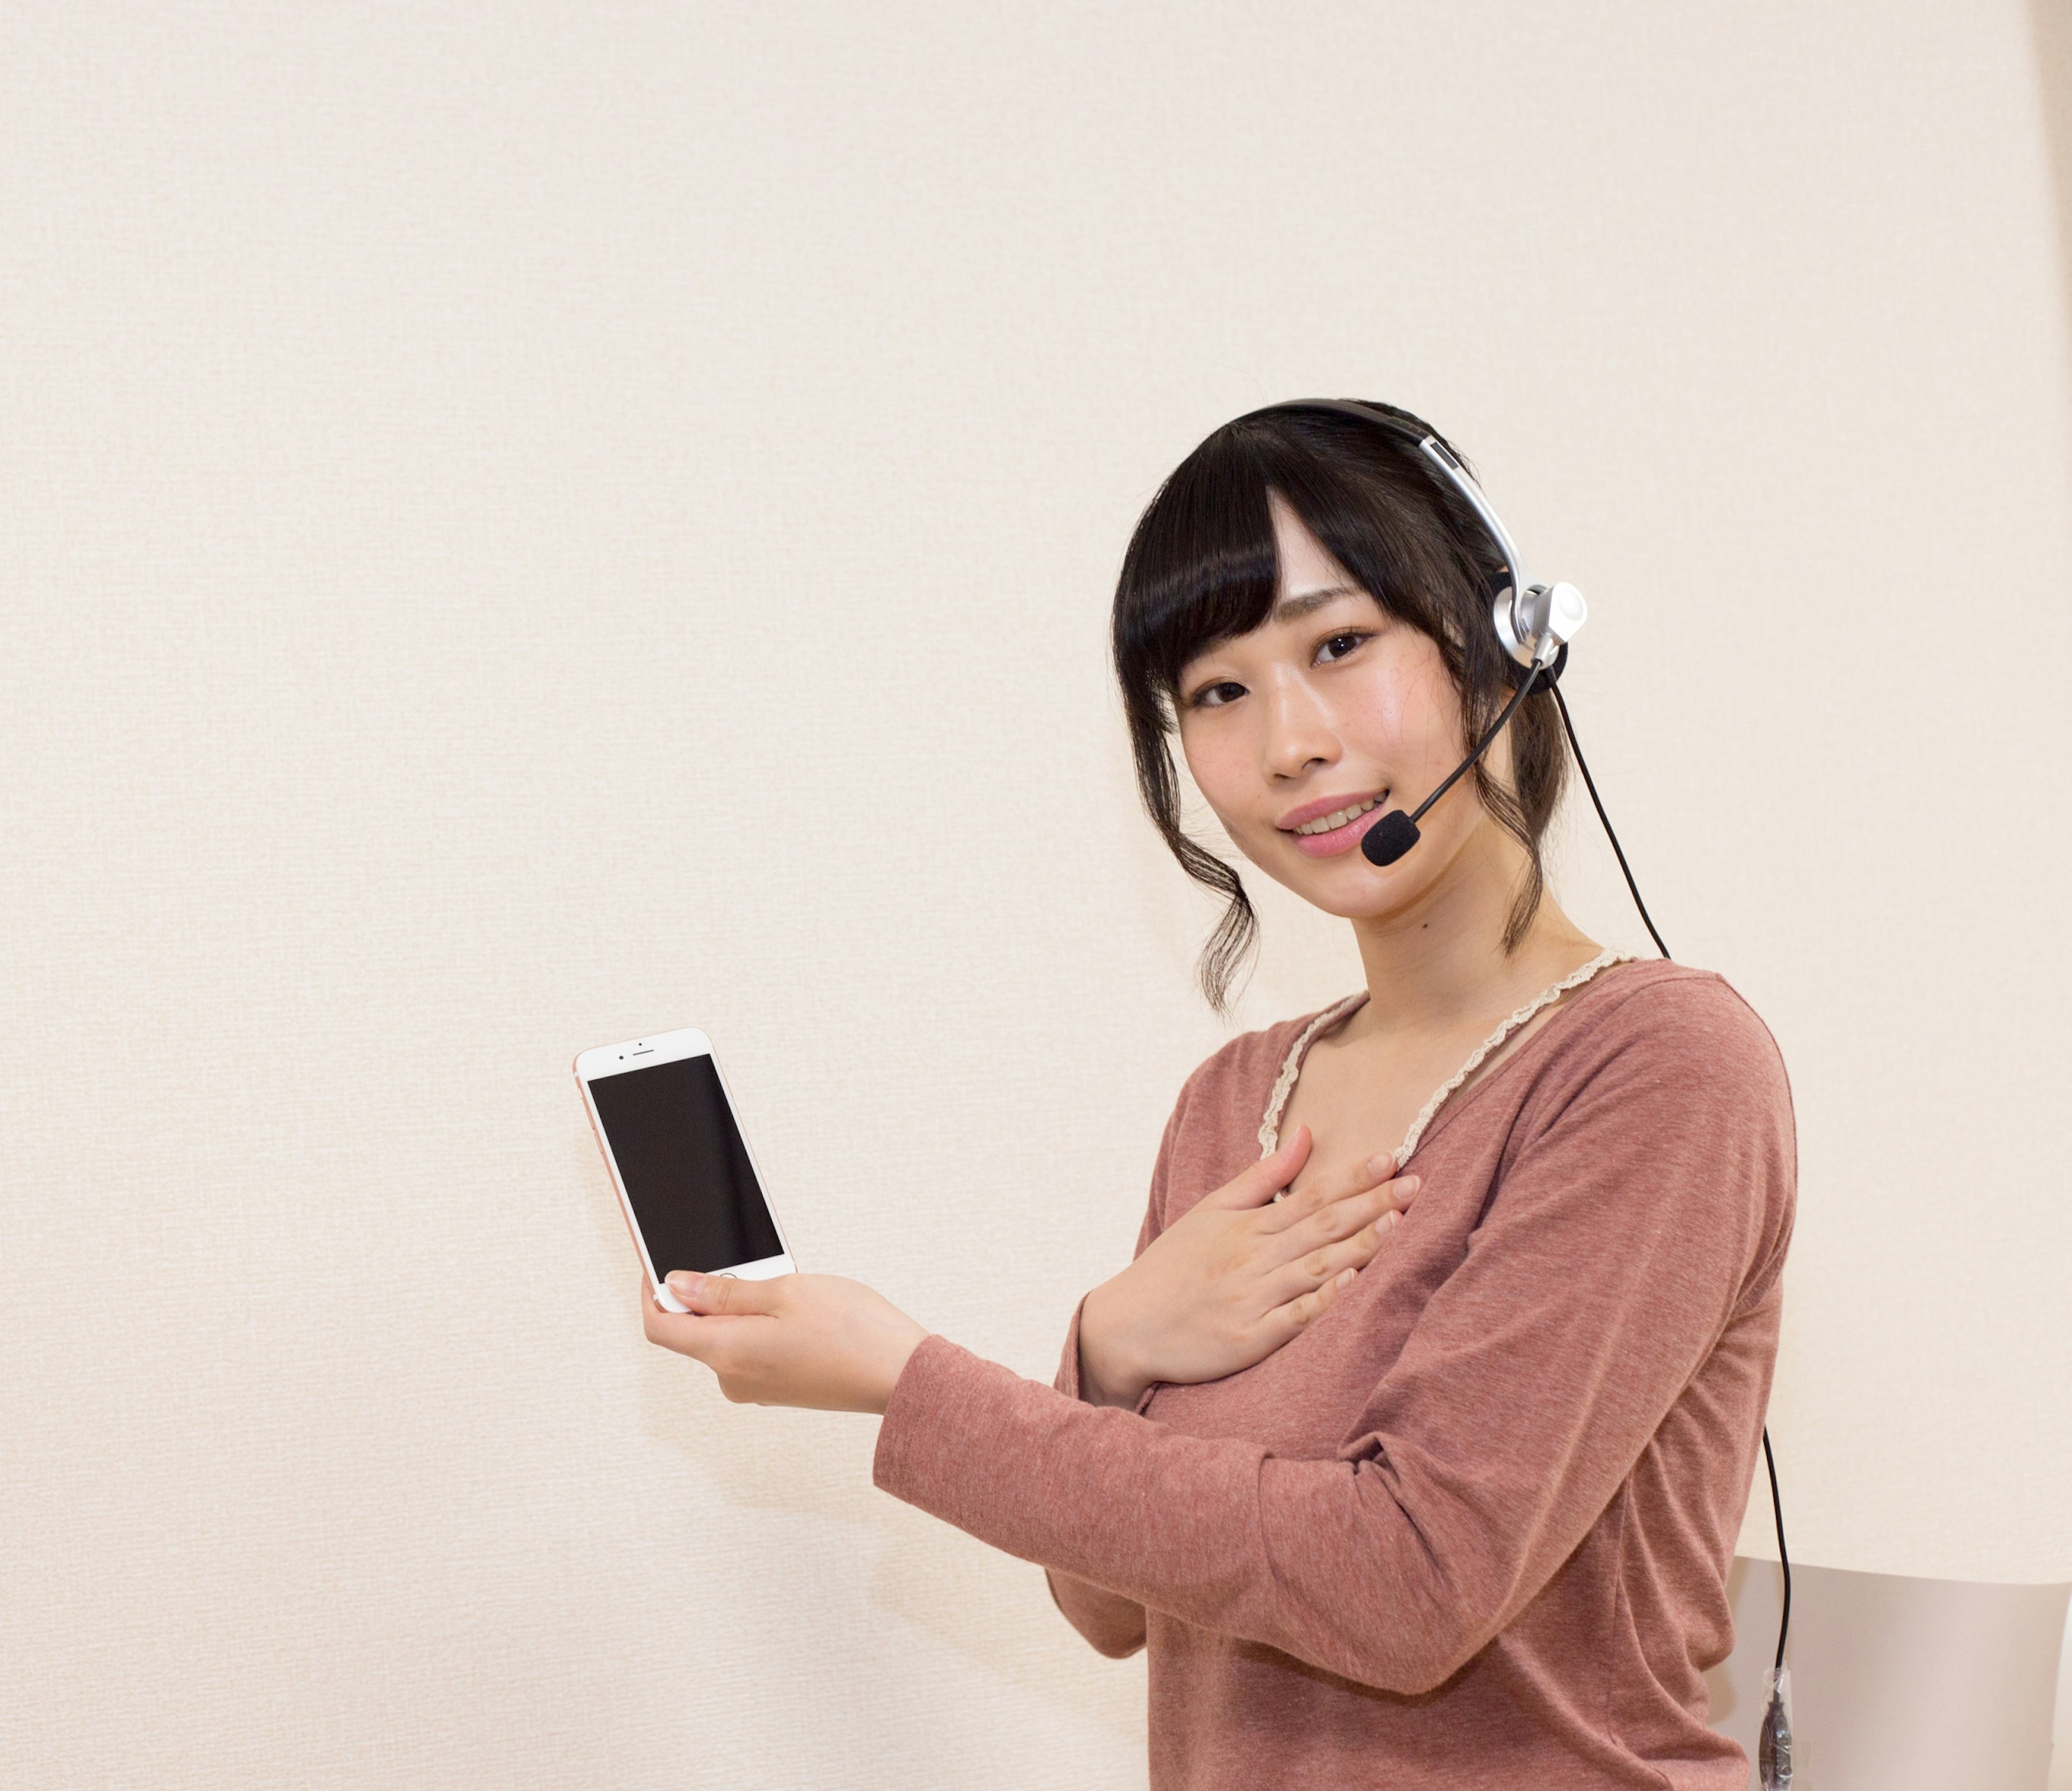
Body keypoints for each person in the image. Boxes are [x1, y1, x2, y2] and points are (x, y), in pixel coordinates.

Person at [639, 399, 1797, 1789]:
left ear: (1501, 643)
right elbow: (1112, 1602)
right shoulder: (1237, 1097)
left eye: (1339, 645)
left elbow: (1413, 1581)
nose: (1289, 742)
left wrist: (909, 1385)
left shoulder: (1658, 1063)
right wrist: (1110, 1344)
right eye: (1217, 691)